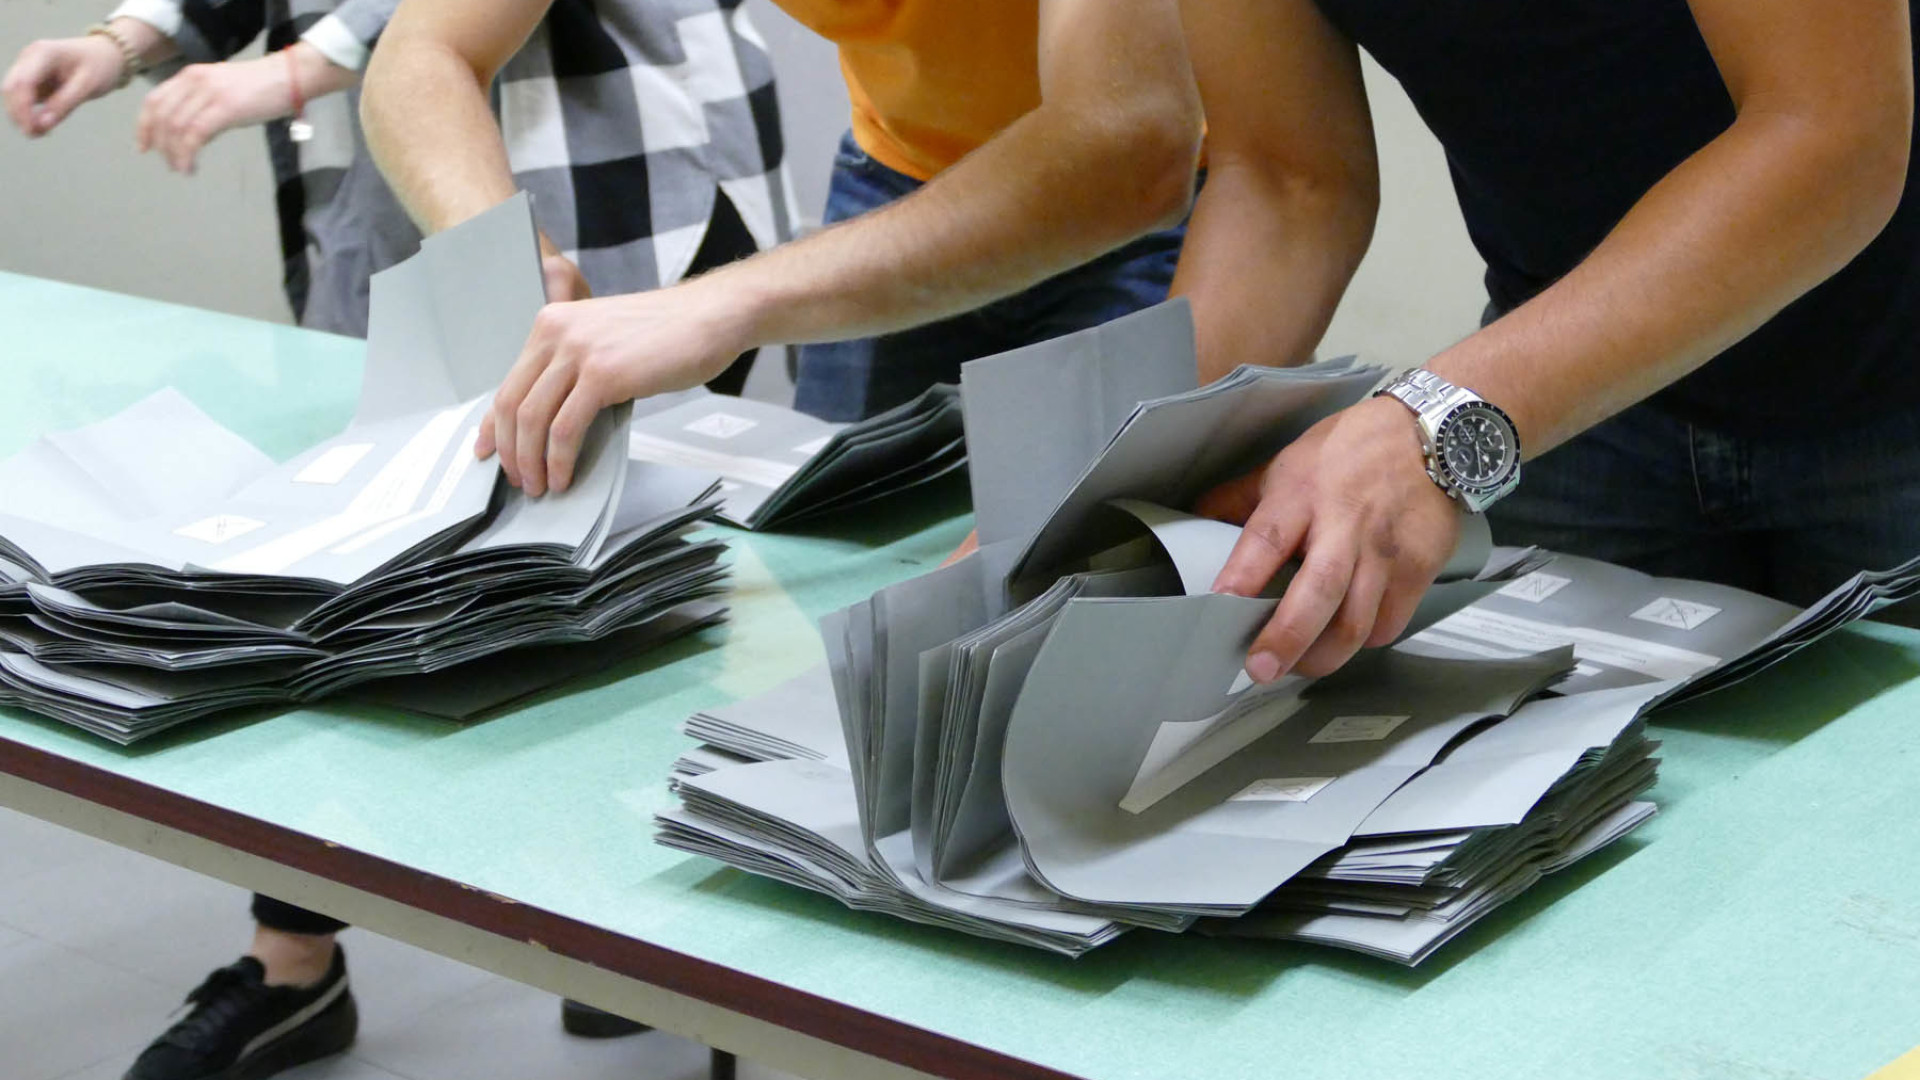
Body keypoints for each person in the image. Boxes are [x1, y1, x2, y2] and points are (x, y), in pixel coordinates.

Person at [5, 1, 799, 1076]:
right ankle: (294, 962)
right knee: (344, 588)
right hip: (391, 194)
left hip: (614, 179)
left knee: (623, 587)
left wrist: (296, 68)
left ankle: (704, 973)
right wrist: (131, 38)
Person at [1174, 0, 1920, 685]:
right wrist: (1139, 462)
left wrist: (1431, 424)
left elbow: (1829, 130)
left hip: (1893, 356)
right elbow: (1287, 180)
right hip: (1579, 391)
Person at [358, 0, 1204, 498]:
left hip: (1162, 199)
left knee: (1110, 574)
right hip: (901, 174)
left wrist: (722, 303)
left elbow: (1127, 143)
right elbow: (421, 59)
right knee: (846, 557)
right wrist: (512, 264)